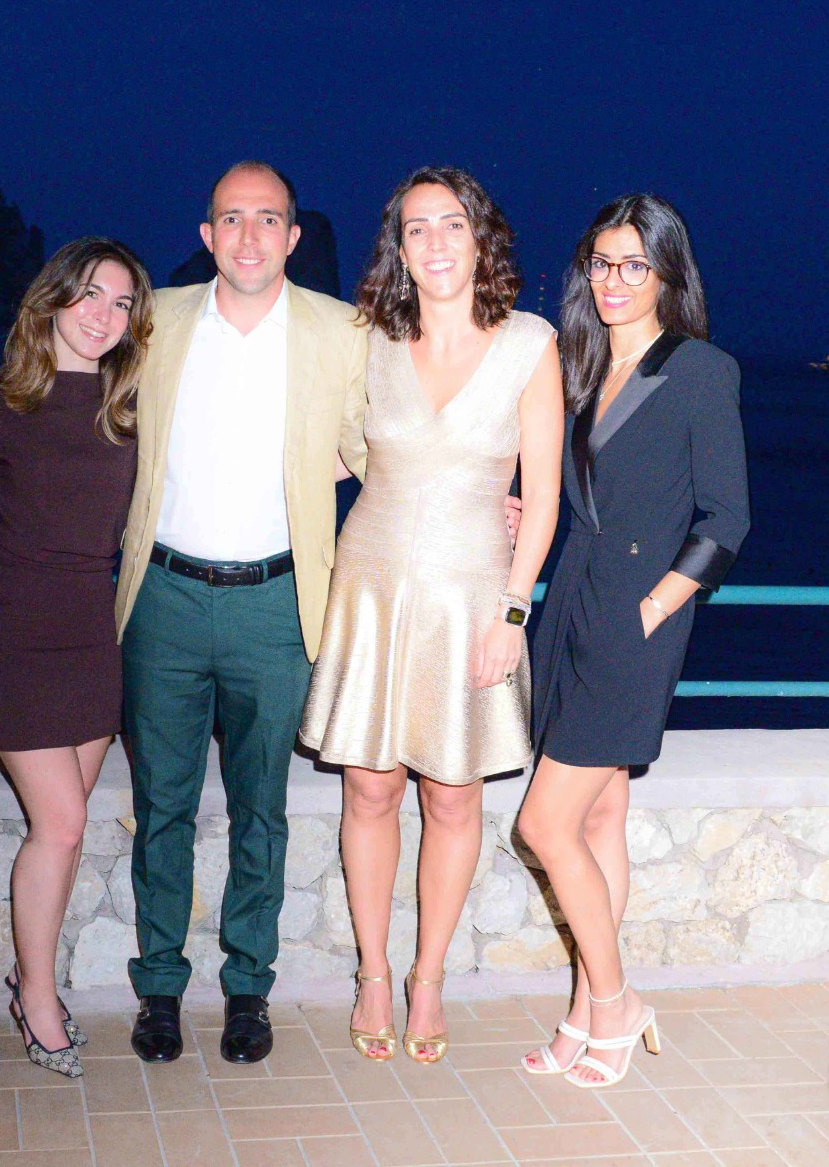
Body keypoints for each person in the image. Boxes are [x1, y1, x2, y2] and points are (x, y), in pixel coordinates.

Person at [300, 167, 563, 1064]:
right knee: (369, 789)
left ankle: (429, 977)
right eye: (417, 229)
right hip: (371, 590)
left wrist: (513, 613)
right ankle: (374, 972)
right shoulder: (370, 340)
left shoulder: (529, 343)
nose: (437, 243)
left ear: (481, 237)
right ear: (399, 248)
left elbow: (544, 496)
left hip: (473, 600)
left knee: (453, 797)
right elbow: (331, 451)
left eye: (453, 224)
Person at [119, 161, 367, 1065]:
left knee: (263, 809)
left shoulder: (343, 331)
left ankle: (248, 988)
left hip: (276, 602)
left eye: (268, 219)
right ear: (207, 234)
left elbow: (383, 446)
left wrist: (492, 503)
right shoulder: (156, 319)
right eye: (232, 218)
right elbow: (79, 417)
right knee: (163, 806)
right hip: (164, 599)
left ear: (293, 237)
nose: (249, 236)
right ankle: (158, 989)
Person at [516, 193, 749, 1089]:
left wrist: (656, 608)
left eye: (634, 265)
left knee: (543, 824)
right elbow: (582, 496)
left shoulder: (699, 370)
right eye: (602, 263)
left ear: (666, 274)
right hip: (571, 606)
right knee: (599, 815)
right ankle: (585, 1012)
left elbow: (727, 519)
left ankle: (617, 1003)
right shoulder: (579, 367)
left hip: (634, 621)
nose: (614, 281)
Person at [0, 238, 153, 1077]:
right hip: (15, 629)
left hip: (93, 631)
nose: (102, 315)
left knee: (65, 830)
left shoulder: (131, 409)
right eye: (88, 294)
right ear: (50, 301)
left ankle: (28, 976)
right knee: (64, 823)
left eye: (121, 302)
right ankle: (37, 996)